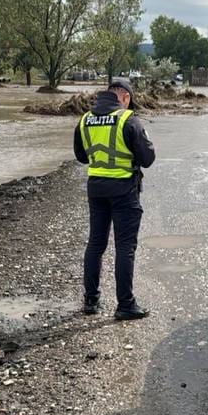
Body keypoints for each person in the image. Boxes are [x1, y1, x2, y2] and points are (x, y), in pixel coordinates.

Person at [73, 79, 156, 320]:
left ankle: (90, 301)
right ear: (125, 97)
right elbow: (148, 158)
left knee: (96, 244)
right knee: (125, 247)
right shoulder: (128, 119)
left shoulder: (84, 119)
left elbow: (81, 156)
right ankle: (125, 305)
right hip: (124, 191)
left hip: (96, 189)